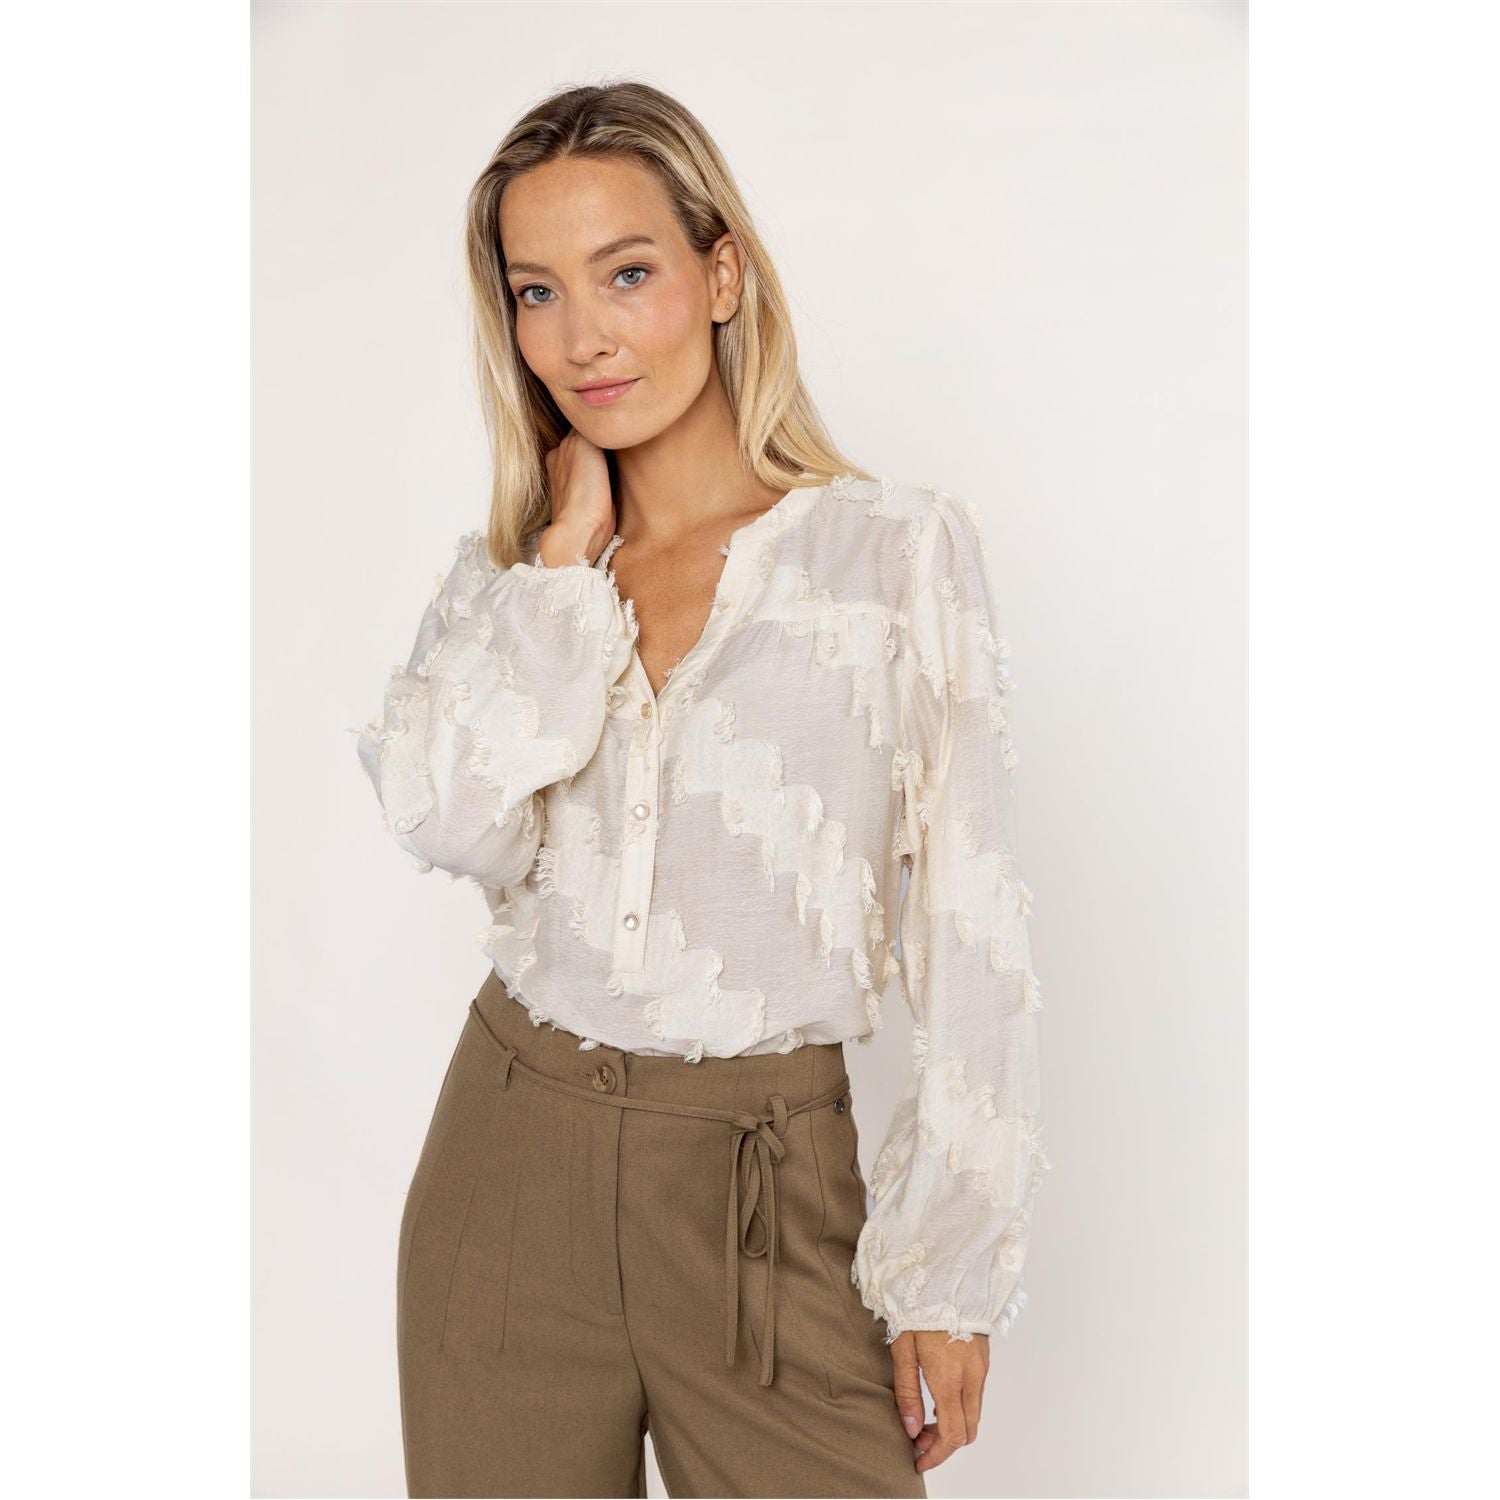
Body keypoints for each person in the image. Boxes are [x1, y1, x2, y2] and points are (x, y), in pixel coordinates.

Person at [355, 79, 1049, 1500]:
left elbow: (970, 928)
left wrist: (949, 1269)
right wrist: (565, 567)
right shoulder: (514, 582)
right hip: (510, 1163)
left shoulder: (892, 560)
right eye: (537, 292)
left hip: (765, 1193)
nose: (584, 337)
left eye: (628, 273)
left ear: (721, 274)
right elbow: (445, 819)